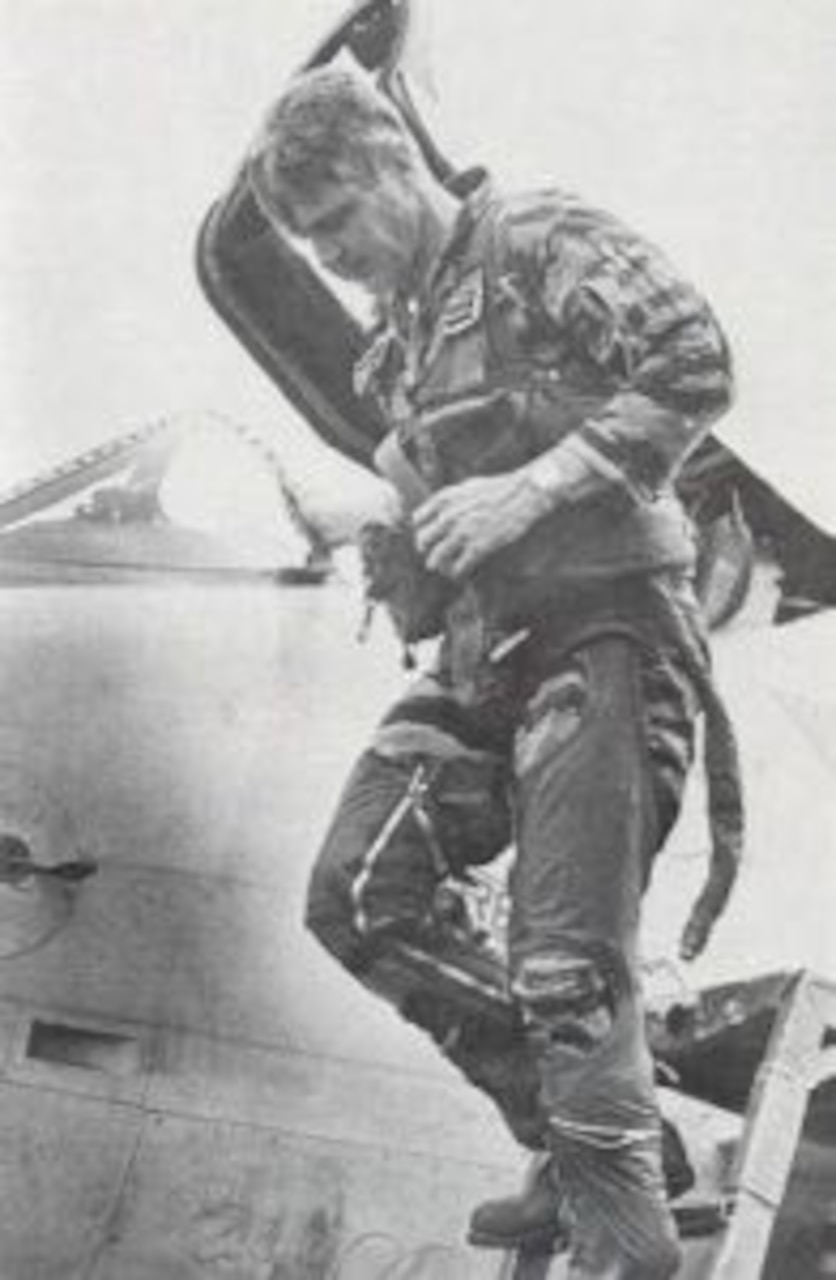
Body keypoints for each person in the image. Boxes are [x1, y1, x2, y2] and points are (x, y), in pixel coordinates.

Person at [247, 66, 742, 1279]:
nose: (331, 260)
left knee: (567, 959)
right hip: (487, 658)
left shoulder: (535, 241)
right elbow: (439, 513)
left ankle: (624, 1230)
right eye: (306, 245)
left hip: (605, 631)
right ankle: (563, 1133)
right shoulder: (395, 355)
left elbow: (690, 359)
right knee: (358, 893)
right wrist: (393, 538)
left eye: (335, 226)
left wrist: (531, 487)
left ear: (388, 164)